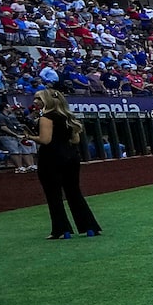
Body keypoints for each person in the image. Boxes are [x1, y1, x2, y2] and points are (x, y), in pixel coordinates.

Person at [33, 88, 101, 239]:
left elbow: (45, 140)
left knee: (53, 195)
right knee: (74, 192)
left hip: (50, 158)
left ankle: (61, 229)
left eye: (38, 98)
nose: (35, 101)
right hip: (70, 156)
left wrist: (29, 136)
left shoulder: (46, 117)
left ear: (47, 101)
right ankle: (89, 226)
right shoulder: (68, 117)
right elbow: (75, 140)